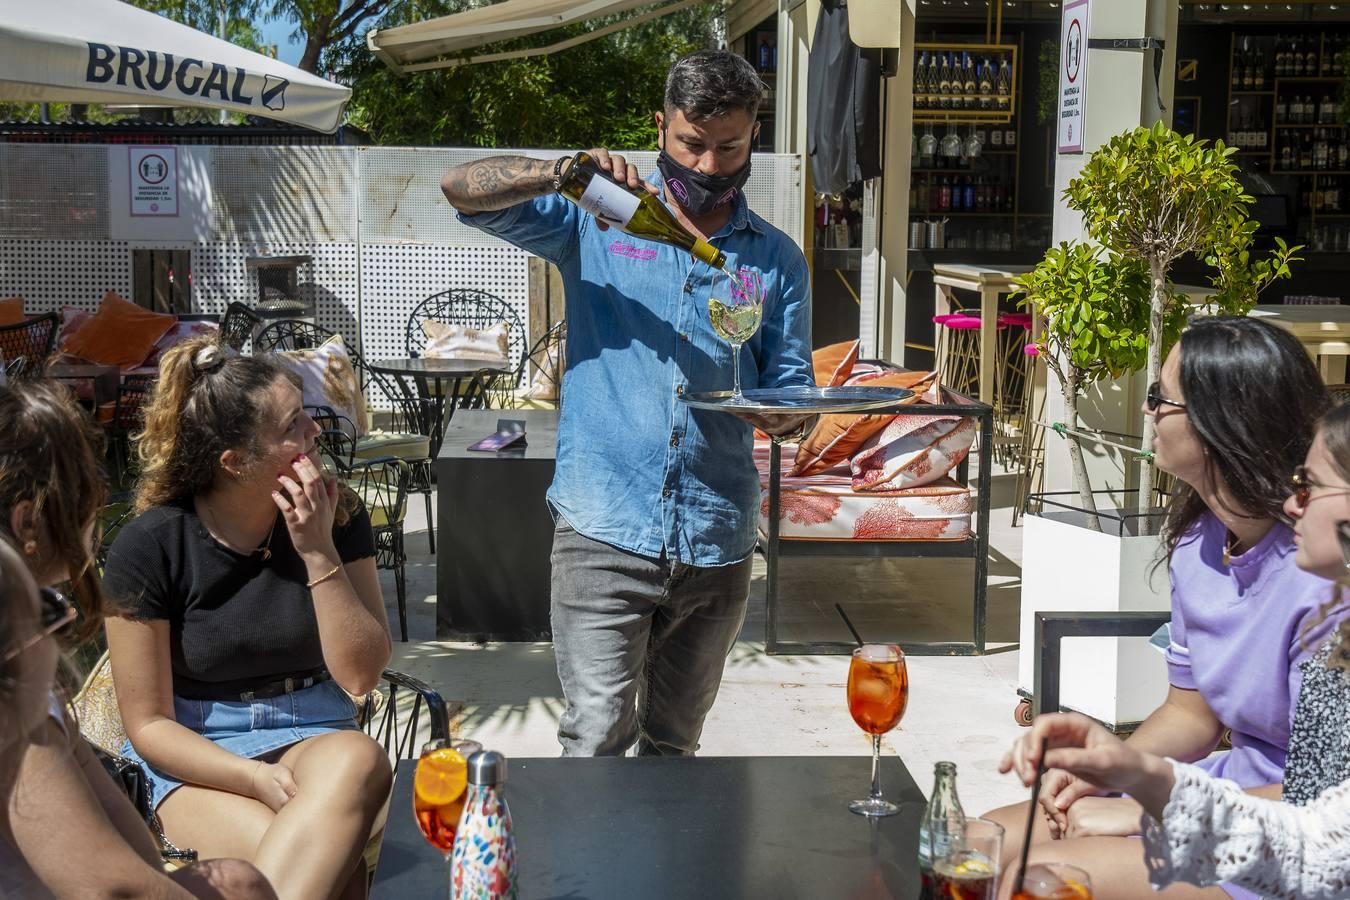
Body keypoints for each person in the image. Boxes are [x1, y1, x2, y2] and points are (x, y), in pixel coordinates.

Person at [440, 49, 814, 756]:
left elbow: (792, 387)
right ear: (660, 128)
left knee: (674, 745)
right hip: (604, 529)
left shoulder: (775, 261)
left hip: (717, 538)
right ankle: (590, 873)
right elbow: (459, 187)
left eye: (728, 147)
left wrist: (789, 414)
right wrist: (560, 172)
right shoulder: (596, 219)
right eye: (691, 144)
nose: (708, 165)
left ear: (753, 137)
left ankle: (660, 872)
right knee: (594, 740)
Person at [984, 316, 1341, 900]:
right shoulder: (1198, 548)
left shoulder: (1322, 578)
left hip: (1289, 843)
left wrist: (1152, 809)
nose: (1147, 410)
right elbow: (1192, 713)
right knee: (977, 842)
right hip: (1223, 789)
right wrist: (1107, 770)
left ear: (1221, 420)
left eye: (1160, 397)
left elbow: (1325, 801)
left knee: (1032, 882)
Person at [101, 338, 393, 900]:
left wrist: (316, 550)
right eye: (292, 425)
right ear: (234, 462)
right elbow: (149, 724)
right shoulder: (152, 545)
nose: (315, 431)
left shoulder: (340, 513)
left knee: (360, 757)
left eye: (306, 414)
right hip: (195, 750)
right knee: (330, 865)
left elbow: (361, 677)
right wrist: (254, 778)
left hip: (316, 731)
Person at [0, 380, 275, 899]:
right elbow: (116, 888)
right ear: (28, 521)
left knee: (241, 883)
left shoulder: (30, 664)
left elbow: (134, 854)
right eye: (85, 492)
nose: (95, 516)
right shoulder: (11, 679)